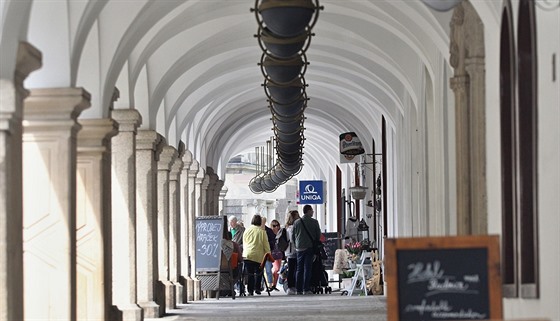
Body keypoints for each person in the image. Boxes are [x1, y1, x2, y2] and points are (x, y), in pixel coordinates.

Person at [291, 204, 321, 295]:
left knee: (299, 269)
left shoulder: (296, 222)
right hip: (309, 247)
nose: (313, 212)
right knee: (307, 268)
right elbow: (318, 235)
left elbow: (292, 236)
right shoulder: (314, 222)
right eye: (312, 210)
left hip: (299, 248)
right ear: (308, 211)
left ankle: (298, 289)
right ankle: (306, 288)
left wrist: (296, 245)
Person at [242, 214, 270, 296]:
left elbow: (244, 242)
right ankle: (257, 288)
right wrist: (268, 254)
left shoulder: (246, 230)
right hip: (258, 256)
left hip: (247, 254)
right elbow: (266, 245)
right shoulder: (262, 232)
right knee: (259, 272)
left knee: (250, 273)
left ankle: (250, 290)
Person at [284, 210, 301, 295]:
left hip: (289, 251)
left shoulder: (287, 227)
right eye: (297, 216)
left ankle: (292, 286)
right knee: (293, 269)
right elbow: (292, 239)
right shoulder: (291, 228)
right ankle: (291, 286)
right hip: (293, 250)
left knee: (292, 269)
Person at [260, 216, 276, 291]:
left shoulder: (269, 231)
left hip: (267, 253)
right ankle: (261, 285)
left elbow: (273, 241)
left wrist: (268, 245)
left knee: (268, 269)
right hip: (260, 253)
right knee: (260, 270)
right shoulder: (258, 230)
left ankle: (269, 285)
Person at [269, 219, 282, 291]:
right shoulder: (270, 234)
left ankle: (274, 284)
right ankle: (270, 284)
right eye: (274, 226)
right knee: (270, 269)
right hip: (271, 252)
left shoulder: (280, 233)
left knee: (277, 269)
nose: (276, 227)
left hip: (278, 253)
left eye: (277, 226)